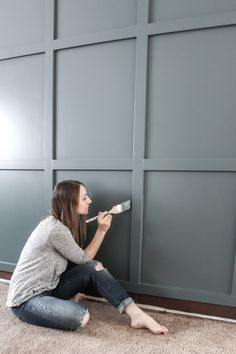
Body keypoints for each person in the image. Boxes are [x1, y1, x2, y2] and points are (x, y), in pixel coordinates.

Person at [7, 180, 168, 334]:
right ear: (70, 203)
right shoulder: (55, 229)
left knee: (93, 267)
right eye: (84, 198)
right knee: (80, 316)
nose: (89, 200)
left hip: (50, 288)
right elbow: (83, 258)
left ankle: (136, 314)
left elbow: (86, 263)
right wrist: (102, 230)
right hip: (26, 300)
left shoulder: (61, 225)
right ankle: (65, 304)